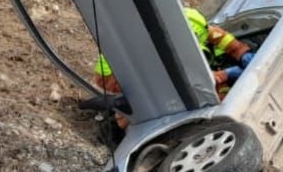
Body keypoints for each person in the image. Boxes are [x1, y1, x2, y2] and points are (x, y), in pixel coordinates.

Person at [95, 7, 254, 109]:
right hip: (113, 77)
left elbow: (225, 40)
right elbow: (187, 80)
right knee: (141, 108)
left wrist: (243, 53)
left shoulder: (196, 24)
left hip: (133, 66)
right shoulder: (158, 50)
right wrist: (224, 75)